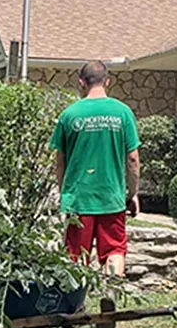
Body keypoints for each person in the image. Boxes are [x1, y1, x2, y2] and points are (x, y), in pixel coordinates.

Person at [50, 60, 141, 281]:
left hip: (79, 198)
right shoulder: (123, 113)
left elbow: (59, 160)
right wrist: (133, 192)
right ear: (107, 81)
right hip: (112, 197)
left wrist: (64, 192)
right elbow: (132, 158)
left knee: (76, 254)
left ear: (81, 82)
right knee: (114, 250)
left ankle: (76, 303)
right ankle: (111, 290)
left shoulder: (69, 115)